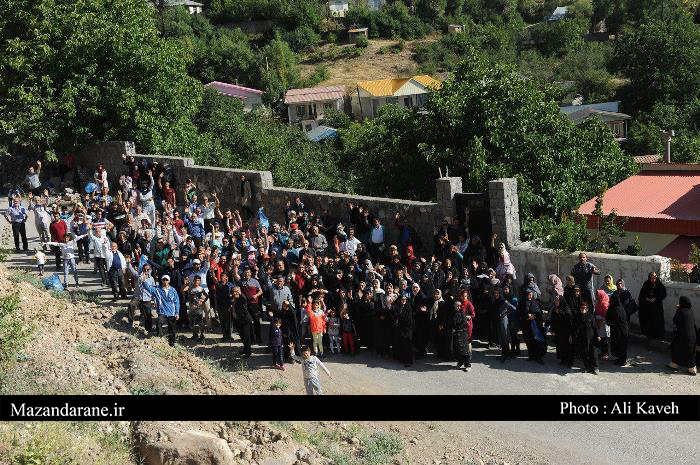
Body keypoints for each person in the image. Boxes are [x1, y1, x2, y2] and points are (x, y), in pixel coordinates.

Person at [141, 274, 180, 346]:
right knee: (159, 322)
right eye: (164, 280)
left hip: (172, 312)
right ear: (161, 281)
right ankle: (160, 339)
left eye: (166, 280)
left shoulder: (173, 290)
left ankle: (172, 342)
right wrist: (144, 281)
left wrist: (177, 312)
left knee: (172, 328)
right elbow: (149, 288)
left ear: (169, 281)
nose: (165, 281)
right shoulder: (157, 290)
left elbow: (176, 302)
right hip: (162, 312)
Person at [668, 296, 697, 376]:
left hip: (682, 336)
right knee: (690, 353)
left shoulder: (680, 311)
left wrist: (678, 309)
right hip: (693, 337)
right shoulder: (690, 311)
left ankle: (674, 365)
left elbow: (675, 323)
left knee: (675, 348)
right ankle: (692, 370)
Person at [519, 289, 545, 364]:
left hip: (535, 326)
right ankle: (531, 356)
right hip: (526, 325)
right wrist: (527, 315)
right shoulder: (522, 303)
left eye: (531, 295)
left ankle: (538, 357)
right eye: (528, 295)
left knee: (536, 341)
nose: (529, 296)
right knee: (528, 340)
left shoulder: (536, 303)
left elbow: (540, 314)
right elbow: (519, 313)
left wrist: (534, 316)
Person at [638, 272, 667, 340]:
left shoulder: (659, 285)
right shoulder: (646, 284)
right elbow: (642, 294)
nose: (653, 279)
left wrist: (656, 298)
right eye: (651, 278)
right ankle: (648, 333)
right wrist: (647, 298)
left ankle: (657, 335)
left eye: (654, 278)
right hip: (647, 306)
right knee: (648, 320)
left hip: (656, 307)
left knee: (657, 321)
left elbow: (663, 294)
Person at [573, 301, 599, 375]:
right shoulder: (577, 317)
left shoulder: (590, 316)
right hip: (582, 338)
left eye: (584, 308)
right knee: (584, 353)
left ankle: (595, 368)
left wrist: (597, 336)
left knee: (593, 353)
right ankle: (587, 367)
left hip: (591, 338)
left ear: (587, 309)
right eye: (581, 308)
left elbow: (595, 327)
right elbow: (575, 328)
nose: (583, 309)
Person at [549, 294, 574, 368]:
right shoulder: (555, 309)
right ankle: (562, 359)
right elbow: (552, 320)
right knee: (559, 346)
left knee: (566, 346)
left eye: (557, 300)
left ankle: (568, 361)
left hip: (566, 331)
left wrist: (559, 312)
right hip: (558, 331)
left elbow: (569, 318)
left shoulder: (566, 308)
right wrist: (552, 329)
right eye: (555, 300)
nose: (556, 301)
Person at [606, 294, 629, 366]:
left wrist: (609, 322)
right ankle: (621, 359)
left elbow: (613, 320)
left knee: (619, 345)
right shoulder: (621, 307)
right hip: (623, 329)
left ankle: (622, 360)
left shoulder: (615, 309)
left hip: (618, 330)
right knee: (622, 345)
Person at [186, 275, 209, 344]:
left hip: (199, 308)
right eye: (195, 280)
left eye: (198, 280)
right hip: (193, 307)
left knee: (200, 322)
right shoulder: (191, 289)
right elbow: (189, 298)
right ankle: (195, 335)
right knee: (193, 321)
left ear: (200, 282)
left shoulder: (201, 289)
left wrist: (202, 301)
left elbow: (207, 296)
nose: (197, 281)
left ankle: (202, 336)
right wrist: (192, 303)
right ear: (193, 281)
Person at [453, 299, 474, 372]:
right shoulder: (453, 313)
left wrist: (457, 327)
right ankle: (460, 362)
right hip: (456, 333)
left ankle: (467, 365)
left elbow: (464, 322)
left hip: (463, 333)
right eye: (457, 306)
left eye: (459, 306)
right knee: (458, 350)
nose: (458, 307)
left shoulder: (462, 313)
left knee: (465, 350)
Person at [232, 286, 252, 358]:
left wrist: (240, 293)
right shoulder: (234, 299)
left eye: (236, 291)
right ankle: (245, 349)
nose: (235, 293)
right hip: (238, 320)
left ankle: (248, 352)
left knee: (246, 337)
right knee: (242, 336)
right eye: (234, 291)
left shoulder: (242, 298)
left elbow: (244, 298)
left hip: (245, 320)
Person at [594, 289, 611, 359]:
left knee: (605, 339)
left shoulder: (604, 304)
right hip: (599, 323)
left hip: (604, 324)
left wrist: (597, 316)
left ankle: (606, 353)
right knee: (601, 339)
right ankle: (603, 352)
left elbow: (606, 315)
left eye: (597, 295)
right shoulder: (599, 303)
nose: (596, 296)